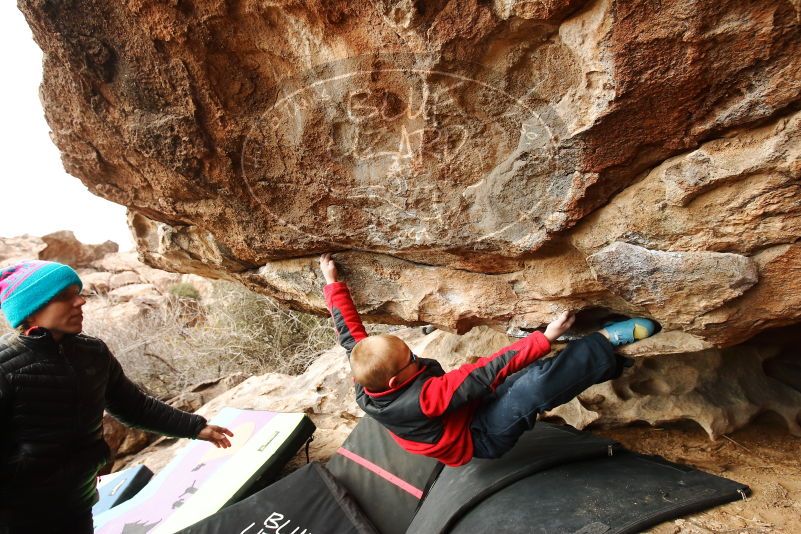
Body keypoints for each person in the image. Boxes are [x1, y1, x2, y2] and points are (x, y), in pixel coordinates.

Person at [319, 252, 656, 467]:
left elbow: (350, 335)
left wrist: (332, 284)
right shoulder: (423, 400)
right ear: (395, 381)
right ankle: (603, 342)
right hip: (479, 436)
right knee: (530, 390)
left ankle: (608, 363)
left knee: (528, 373)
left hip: (464, 412)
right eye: (410, 358)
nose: (416, 357)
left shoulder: (366, 372)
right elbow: (483, 374)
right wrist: (544, 337)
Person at [0, 260, 234, 533]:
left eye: (78, 293)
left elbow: (134, 407)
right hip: (18, 515)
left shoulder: (93, 353)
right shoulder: (6, 367)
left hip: (78, 502)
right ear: (31, 311)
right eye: (65, 297)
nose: (80, 302)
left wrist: (196, 427)